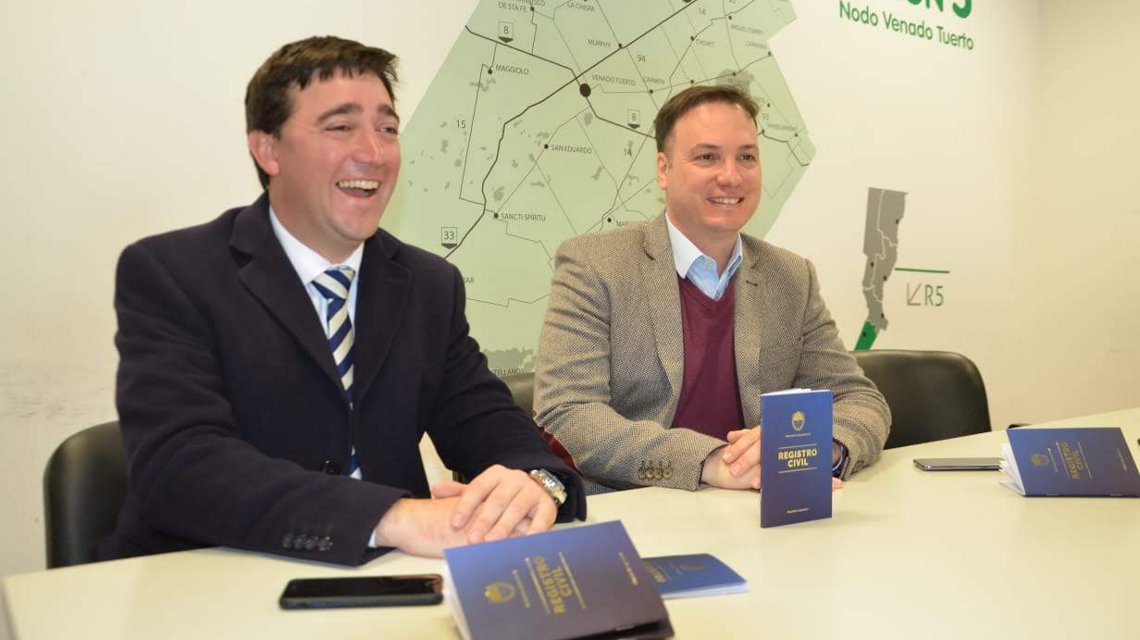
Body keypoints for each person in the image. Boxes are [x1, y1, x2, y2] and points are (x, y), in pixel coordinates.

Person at [101, 36, 584, 566]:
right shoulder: (173, 273)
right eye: (340, 127)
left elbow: (490, 424)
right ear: (268, 150)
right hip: (209, 577)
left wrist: (535, 482)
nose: (374, 153)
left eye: (387, 129)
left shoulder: (428, 284)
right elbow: (181, 466)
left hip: (393, 580)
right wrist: (393, 517)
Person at [534, 84, 889, 494]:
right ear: (663, 170)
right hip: (638, 507)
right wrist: (711, 461)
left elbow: (858, 399)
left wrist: (823, 447)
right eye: (707, 157)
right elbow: (569, 413)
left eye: (747, 157)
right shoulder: (595, 265)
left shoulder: (791, 277)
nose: (731, 176)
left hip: (756, 509)